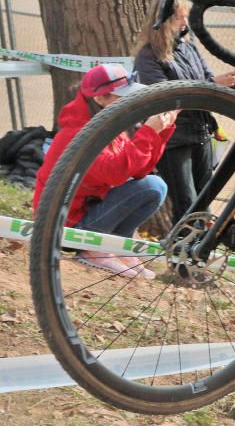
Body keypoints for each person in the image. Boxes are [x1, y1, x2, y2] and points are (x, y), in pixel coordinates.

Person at [32, 64, 176, 279]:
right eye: (123, 97)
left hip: (84, 214)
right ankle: (94, 251)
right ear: (100, 99)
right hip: (64, 226)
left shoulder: (108, 127)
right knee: (151, 186)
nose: (131, 103)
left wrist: (160, 133)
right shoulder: (78, 134)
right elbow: (115, 174)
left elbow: (139, 171)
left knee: (154, 186)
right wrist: (148, 132)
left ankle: (118, 246)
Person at [134, 0, 235, 225]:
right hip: (173, 140)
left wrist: (228, 85)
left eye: (186, 17)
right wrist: (213, 85)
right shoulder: (148, 56)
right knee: (187, 204)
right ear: (163, 20)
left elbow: (207, 80)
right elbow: (166, 97)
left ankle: (199, 255)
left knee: (203, 201)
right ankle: (182, 260)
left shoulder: (188, 46)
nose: (185, 23)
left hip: (201, 133)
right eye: (179, 18)